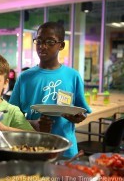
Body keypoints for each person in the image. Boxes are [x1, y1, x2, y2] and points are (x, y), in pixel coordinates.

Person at [9, 22, 91, 158]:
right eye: (39, 41)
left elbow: (82, 112)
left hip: (66, 149)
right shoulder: (25, 78)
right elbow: (11, 117)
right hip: (33, 147)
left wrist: (77, 117)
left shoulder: (73, 76)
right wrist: (33, 124)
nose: (43, 46)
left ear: (62, 45)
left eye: (50, 42)